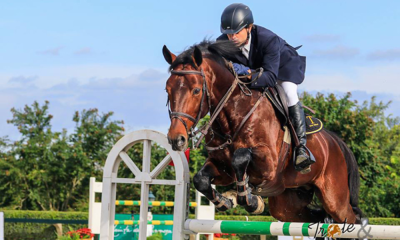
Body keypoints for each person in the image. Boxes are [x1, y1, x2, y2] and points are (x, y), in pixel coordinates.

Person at [217, 3, 315, 174]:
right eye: (228, 33)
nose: (231, 37)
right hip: (256, 69)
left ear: (249, 27)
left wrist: (246, 73)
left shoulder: (267, 39)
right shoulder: (223, 42)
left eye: (236, 32)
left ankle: (301, 148)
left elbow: (270, 77)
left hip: (282, 69)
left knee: (289, 93)